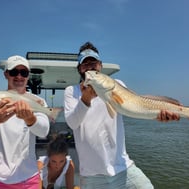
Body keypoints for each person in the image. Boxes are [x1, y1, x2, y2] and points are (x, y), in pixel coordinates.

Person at [64, 42, 180, 189]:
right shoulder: (71, 91)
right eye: (85, 64)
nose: (89, 68)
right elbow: (72, 123)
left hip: (123, 168)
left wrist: (158, 115)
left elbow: (135, 107)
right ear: (80, 69)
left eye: (93, 63)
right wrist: (86, 98)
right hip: (91, 176)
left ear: (100, 65)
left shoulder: (117, 84)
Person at [0, 55, 50, 189]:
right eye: (13, 72)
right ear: (6, 74)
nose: (19, 76)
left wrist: (30, 119)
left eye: (23, 72)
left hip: (29, 177)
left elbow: (43, 131)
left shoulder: (36, 101)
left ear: (28, 76)